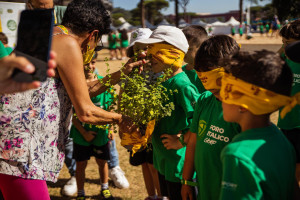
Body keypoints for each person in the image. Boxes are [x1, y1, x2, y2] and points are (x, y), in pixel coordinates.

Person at [0, 0, 143, 199]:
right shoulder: (68, 43)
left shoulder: (50, 34)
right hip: (22, 152)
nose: (92, 49)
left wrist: (122, 73)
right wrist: (121, 119)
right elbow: (85, 111)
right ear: (93, 35)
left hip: (11, 146)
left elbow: (79, 90)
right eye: (96, 43)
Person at [219, 50, 296, 199]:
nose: (221, 97)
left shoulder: (236, 155)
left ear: (243, 104)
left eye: (226, 90)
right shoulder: (280, 139)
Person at [137, 26, 200, 200]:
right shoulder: (163, 81)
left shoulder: (182, 85)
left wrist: (181, 140)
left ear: (173, 53)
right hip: (163, 161)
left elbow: (199, 120)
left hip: (179, 166)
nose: (149, 57)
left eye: (155, 51)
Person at [180, 35, 240, 200]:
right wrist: (186, 181)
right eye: (213, 91)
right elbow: (192, 143)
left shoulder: (243, 111)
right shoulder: (204, 100)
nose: (218, 95)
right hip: (204, 189)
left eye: (220, 89)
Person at [124, 28, 162, 200]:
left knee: (155, 165)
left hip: (155, 124)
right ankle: (151, 196)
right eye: (137, 48)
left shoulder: (159, 69)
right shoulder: (129, 70)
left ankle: (161, 196)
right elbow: (123, 95)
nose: (142, 52)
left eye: (145, 47)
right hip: (136, 124)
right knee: (144, 163)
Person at [70, 53, 114, 200]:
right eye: (86, 63)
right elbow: (72, 113)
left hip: (101, 133)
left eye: (92, 62)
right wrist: (83, 132)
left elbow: (110, 108)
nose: (89, 66)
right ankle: (81, 193)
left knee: (102, 162)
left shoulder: (104, 83)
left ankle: (105, 188)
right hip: (81, 134)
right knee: (81, 164)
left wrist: (111, 128)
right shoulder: (75, 84)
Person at [277, 19, 300, 187]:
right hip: (286, 124)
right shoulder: (285, 59)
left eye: (288, 44)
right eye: (283, 43)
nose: (284, 48)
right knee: (289, 171)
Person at [182, 25, 208, 94]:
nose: (184, 52)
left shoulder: (209, 74)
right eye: (182, 48)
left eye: (189, 49)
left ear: (201, 48)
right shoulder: (180, 72)